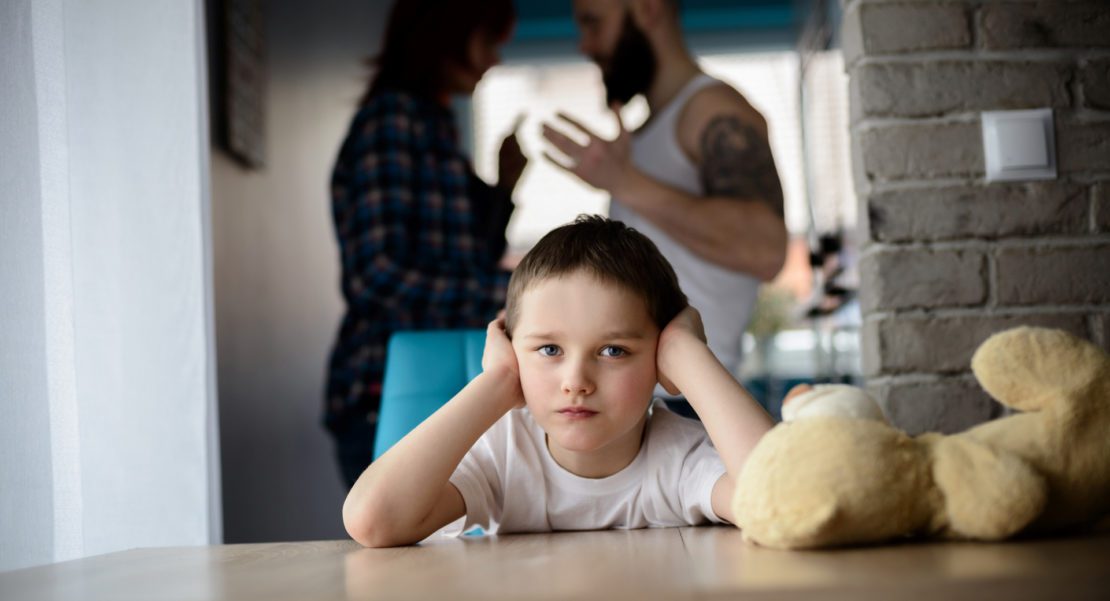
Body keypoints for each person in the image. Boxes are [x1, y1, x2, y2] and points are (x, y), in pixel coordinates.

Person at [342, 216, 775, 548]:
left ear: (659, 362)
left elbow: (785, 498)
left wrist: (688, 356)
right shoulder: (503, 455)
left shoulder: (680, 460)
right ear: (513, 349)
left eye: (613, 351)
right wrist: (497, 382)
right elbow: (373, 521)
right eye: (549, 350)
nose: (576, 382)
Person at [541, 0, 788, 403]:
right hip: (645, 403)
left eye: (593, 23)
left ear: (647, 9)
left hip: (695, 406)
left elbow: (766, 249)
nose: (585, 45)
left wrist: (627, 183)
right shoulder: (642, 136)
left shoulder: (712, 110)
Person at [325, 0, 527, 488]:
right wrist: (519, 294)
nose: (492, 61)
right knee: (402, 555)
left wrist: (502, 189)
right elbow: (378, 275)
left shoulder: (433, 126)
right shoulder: (393, 122)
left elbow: (462, 258)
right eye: (487, 43)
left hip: (432, 379)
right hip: (389, 388)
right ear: (445, 37)